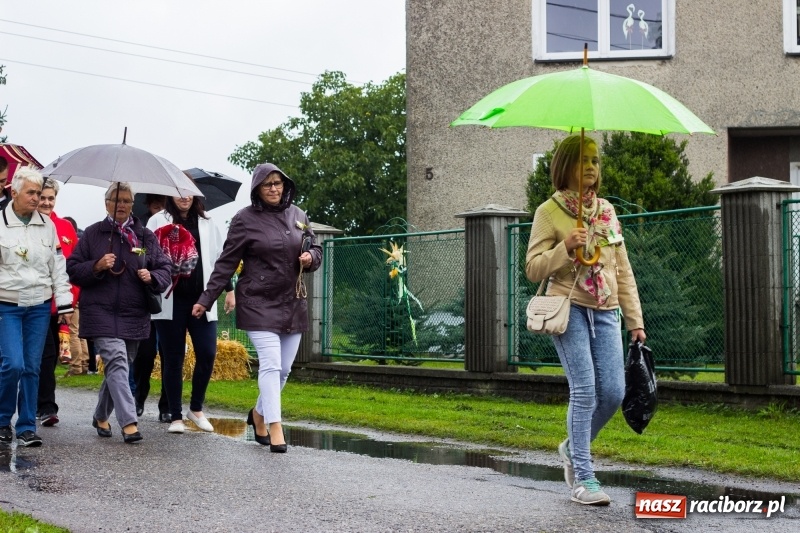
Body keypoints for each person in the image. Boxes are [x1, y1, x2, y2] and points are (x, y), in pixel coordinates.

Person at [525, 134, 645, 506]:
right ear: (566, 166)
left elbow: (622, 270)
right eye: (584, 161)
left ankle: (570, 447)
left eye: (595, 161)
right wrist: (565, 248)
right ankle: (584, 479)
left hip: (606, 310)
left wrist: (635, 321)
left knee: (613, 392)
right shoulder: (549, 211)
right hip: (569, 307)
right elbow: (532, 268)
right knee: (585, 390)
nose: (592, 167)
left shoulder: (607, 211)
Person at [192, 163, 321, 453]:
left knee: (284, 370)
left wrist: (311, 257)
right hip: (257, 303)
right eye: (268, 184)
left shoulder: (299, 215)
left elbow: (316, 248)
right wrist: (206, 299)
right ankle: (276, 427)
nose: (274, 189)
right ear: (257, 190)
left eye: (279, 183)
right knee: (271, 364)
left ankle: (258, 415)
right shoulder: (244, 220)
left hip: (292, 303)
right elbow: (225, 263)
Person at [66, 182, 171, 444]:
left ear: (132, 204)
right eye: (116, 200)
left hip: (134, 312)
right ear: (106, 203)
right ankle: (129, 423)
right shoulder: (92, 234)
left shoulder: (145, 236)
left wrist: (152, 276)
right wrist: (97, 265)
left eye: (126, 200)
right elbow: (73, 269)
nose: (121, 205)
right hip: (99, 312)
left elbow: (165, 268)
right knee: (117, 361)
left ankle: (101, 415)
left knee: (119, 366)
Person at [148, 190, 235, 434]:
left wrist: (230, 289)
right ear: (171, 195)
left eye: (189, 193)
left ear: (197, 196)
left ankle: (195, 409)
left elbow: (221, 259)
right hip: (171, 300)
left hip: (202, 299)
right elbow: (149, 255)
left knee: (207, 353)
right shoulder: (158, 220)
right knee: (173, 357)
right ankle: (175, 415)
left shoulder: (207, 222)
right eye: (179, 193)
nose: (184, 197)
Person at [0, 168, 73, 447]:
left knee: (32, 367)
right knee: (13, 364)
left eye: (39, 192)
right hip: (6, 305)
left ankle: (27, 426)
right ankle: (2, 420)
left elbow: (57, 266)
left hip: (40, 306)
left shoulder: (48, 225)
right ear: (14, 192)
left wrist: (64, 302)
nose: (36, 198)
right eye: (31, 192)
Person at [35, 179, 79, 426]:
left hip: (61, 307)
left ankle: (37, 401)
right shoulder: (29, 226)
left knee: (48, 359)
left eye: (51, 198)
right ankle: (46, 406)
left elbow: (73, 268)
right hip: (36, 303)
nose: (46, 202)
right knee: (45, 355)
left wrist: (70, 303)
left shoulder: (65, 228)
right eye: (42, 197)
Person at [132, 193, 169, 421]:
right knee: (145, 353)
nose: (159, 208)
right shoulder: (140, 225)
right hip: (148, 296)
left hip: (172, 294)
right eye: (155, 204)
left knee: (169, 354)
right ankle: (138, 397)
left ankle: (166, 405)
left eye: (163, 203)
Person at [61, 216, 91, 377]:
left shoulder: (71, 247)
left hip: (71, 291)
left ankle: (76, 367)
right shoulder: (81, 245)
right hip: (80, 289)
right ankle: (84, 363)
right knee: (79, 330)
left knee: (73, 331)